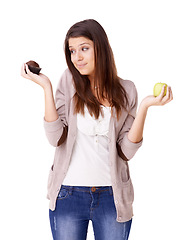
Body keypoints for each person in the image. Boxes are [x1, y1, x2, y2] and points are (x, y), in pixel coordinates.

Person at [20, 19, 173, 240]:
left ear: (100, 47)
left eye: (84, 49)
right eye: (72, 51)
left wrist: (145, 107)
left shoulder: (127, 90)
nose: (77, 58)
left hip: (113, 197)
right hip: (68, 193)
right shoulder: (68, 81)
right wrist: (46, 87)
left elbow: (126, 152)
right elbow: (55, 138)